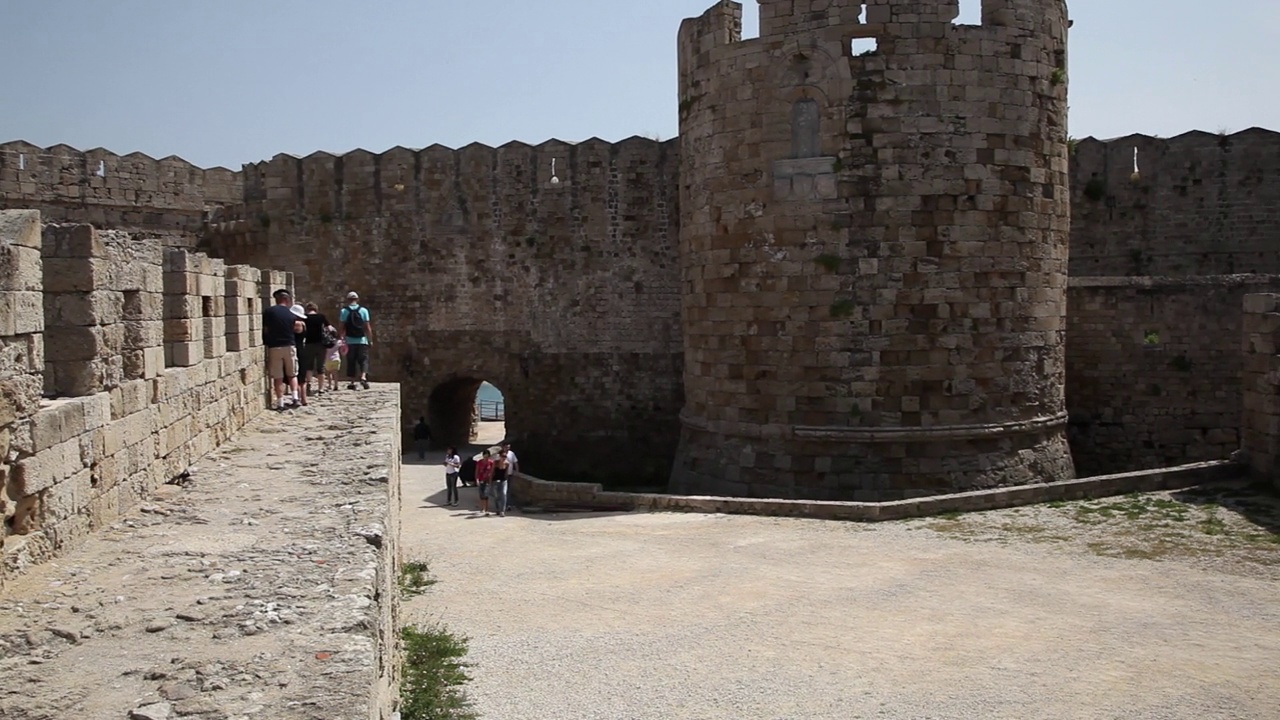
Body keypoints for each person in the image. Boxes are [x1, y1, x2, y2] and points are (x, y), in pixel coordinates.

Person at [263, 289, 304, 411]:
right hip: (289, 345)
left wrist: (267, 341)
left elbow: (265, 329)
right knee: (292, 374)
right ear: (286, 300)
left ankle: (280, 403)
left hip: (274, 346)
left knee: (278, 377)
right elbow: (298, 329)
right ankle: (295, 398)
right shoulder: (291, 314)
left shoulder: (269, 312)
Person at [338, 291, 372, 390]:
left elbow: (341, 326)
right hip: (362, 340)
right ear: (357, 299)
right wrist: (370, 339)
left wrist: (341, 338)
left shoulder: (344, 311)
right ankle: (363, 377)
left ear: (348, 300)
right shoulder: (364, 310)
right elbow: (367, 327)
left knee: (351, 361)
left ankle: (352, 381)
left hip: (349, 341)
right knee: (364, 360)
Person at [301, 302, 331, 396]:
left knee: (309, 366)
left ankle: (308, 385)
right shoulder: (321, 317)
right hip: (321, 344)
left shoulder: (304, 318)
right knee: (320, 367)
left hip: (309, 344)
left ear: (307, 309)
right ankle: (321, 388)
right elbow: (330, 329)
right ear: (316, 309)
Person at [290, 302, 309, 406]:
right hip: (302, 349)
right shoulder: (303, 324)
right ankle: (304, 398)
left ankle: (298, 397)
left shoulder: (296, 324)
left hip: (296, 349)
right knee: (302, 376)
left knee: (296, 374)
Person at [475, 450, 495, 515]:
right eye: (485, 456)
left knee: (486, 494)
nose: (486, 457)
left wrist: (490, 480)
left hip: (487, 480)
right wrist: (477, 479)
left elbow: (492, 472)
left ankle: (486, 508)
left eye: (487, 456)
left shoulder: (491, 463)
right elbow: (477, 471)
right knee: (481, 494)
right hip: (481, 479)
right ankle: (482, 508)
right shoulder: (479, 462)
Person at [502, 442, 520, 511]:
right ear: (503, 447)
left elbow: (515, 462)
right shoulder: (499, 454)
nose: (507, 449)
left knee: (508, 490)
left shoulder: (511, 454)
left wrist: (517, 472)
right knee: (502, 491)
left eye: (509, 447)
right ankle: (501, 505)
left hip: (510, 474)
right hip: (501, 475)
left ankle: (507, 505)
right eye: (506, 447)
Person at [491, 451, 509, 517]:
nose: (504, 458)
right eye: (503, 456)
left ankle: (502, 511)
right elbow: (492, 472)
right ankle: (498, 509)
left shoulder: (507, 463)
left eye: (505, 456)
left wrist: (507, 480)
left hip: (503, 481)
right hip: (495, 481)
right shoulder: (495, 463)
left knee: (504, 494)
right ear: (500, 456)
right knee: (496, 496)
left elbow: (506, 473)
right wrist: (490, 481)